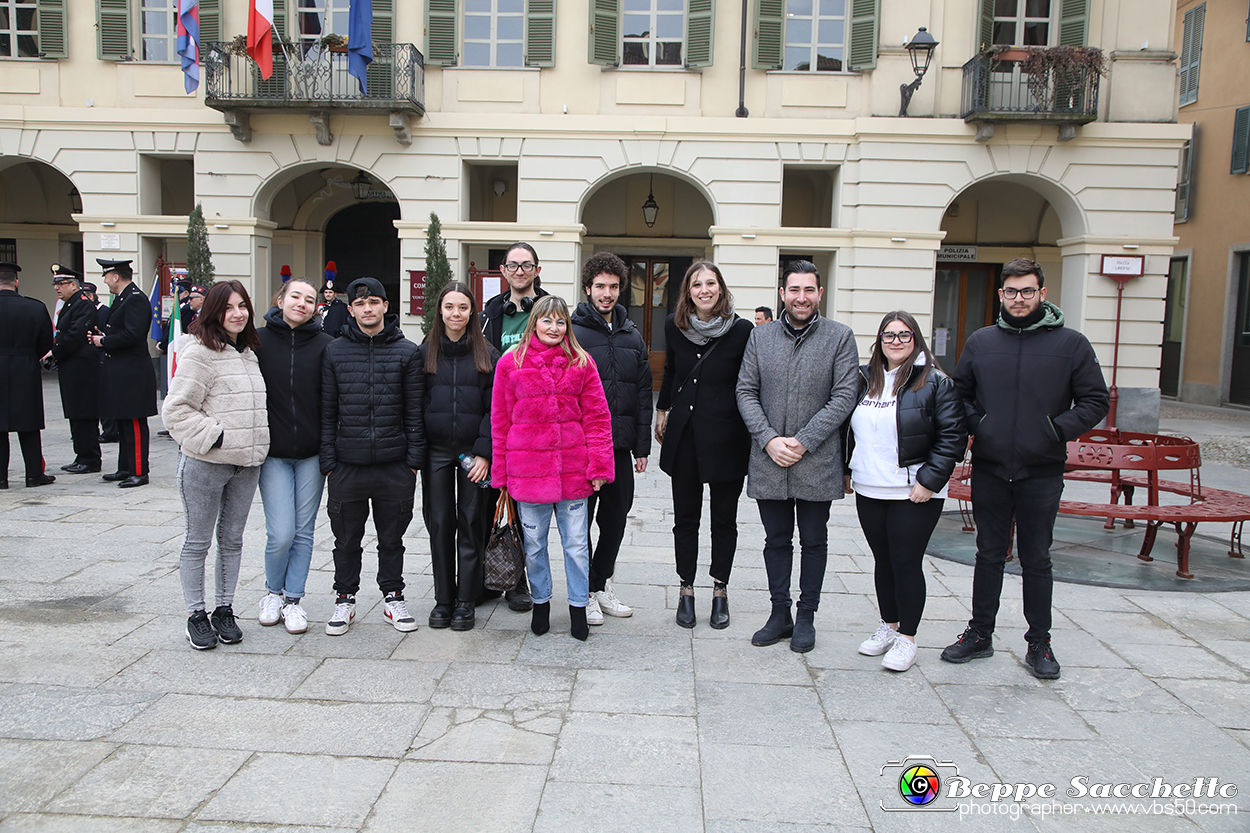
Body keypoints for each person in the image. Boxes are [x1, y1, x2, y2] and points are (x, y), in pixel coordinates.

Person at [941, 258, 1109, 680]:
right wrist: (981, 425)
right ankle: (980, 634)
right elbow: (959, 397)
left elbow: (1095, 401)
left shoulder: (1071, 344)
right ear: (1001, 295)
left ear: (1042, 294)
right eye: (1012, 292)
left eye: (1028, 291)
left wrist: (1055, 430)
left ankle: (1040, 642)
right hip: (992, 468)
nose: (1019, 299)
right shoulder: (981, 341)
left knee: (1037, 558)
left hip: (1042, 470)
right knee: (988, 553)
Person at [736, 261, 858, 653]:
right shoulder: (761, 337)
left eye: (809, 290)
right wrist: (770, 440)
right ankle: (779, 612)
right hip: (769, 459)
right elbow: (745, 391)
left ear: (820, 294)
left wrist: (803, 441)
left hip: (817, 459)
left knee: (814, 540)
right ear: (783, 294)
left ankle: (807, 616)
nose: (801, 297)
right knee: (775, 539)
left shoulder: (840, 337)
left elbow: (844, 396)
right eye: (794, 290)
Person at [846, 311, 967, 672]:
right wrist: (847, 470)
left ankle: (908, 638)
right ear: (879, 341)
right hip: (870, 486)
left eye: (903, 335)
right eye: (888, 335)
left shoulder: (935, 382)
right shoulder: (865, 379)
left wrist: (929, 481)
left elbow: (952, 437)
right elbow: (848, 429)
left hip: (913, 491)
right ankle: (889, 625)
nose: (895, 341)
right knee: (883, 561)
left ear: (916, 340)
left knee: (906, 562)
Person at [492, 295, 614, 640]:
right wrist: (501, 473)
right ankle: (541, 604)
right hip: (527, 473)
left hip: (573, 473)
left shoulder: (581, 362)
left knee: (576, 545)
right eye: (547, 320)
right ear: (535, 322)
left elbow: (597, 417)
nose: (554, 328)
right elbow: (500, 421)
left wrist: (599, 466)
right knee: (534, 546)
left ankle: (578, 607)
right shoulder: (510, 363)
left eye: (561, 321)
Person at [162, 281, 269, 650]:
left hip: (247, 464)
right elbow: (175, 410)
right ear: (213, 312)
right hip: (207, 462)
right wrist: (216, 436)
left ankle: (224, 609)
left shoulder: (249, 353)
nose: (237, 314)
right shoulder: (199, 352)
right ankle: (196, 614)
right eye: (228, 308)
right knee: (198, 540)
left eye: (242, 306)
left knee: (232, 540)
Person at [321, 277, 425, 636]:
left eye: (374, 302)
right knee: (346, 539)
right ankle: (344, 598)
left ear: (385, 306)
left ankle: (393, 596)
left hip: (394, 465)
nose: (368, 308)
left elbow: (414, 412)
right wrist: (328, 464)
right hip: (347, 465)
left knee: (391, 539)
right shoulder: (334, 352)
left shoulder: (407, 352)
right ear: (350, 309)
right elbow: (327, 410)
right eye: (360, 303)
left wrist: (413, 462)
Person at [655, 262, 752, 629]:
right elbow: (673, 372)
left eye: (711, 283)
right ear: (688, 291)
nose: (704, 290)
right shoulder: (674, 325)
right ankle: (686, 588)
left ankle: (720, 589)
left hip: (728, 436)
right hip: (685, 436)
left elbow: (749, 382)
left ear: (721, 288)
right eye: (697, 284)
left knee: (724, 521)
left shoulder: (742, 330)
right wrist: (662, 409)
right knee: (686, 519)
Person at [571, 252, 651, 624]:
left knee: (616, 518)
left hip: (619, 446)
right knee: (580, 522)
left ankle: (600, 583)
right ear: (588, 288)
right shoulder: (572, 333)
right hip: (582, 448)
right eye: (600, 286)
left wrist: (642, 446)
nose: (607, 293)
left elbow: (643, 391)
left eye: (614, 286)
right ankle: (583, 592)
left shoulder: (632, 335)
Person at [418, 282, 499, 631]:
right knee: (439, 524)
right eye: (449, 307)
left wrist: (484, 454)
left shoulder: (487, 354)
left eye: (463, 307)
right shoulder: (424, 352)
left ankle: (466, 599)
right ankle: (443, 599)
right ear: (440, 311)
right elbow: (415, 404)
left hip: (472, 453)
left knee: (470, 522)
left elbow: (495, 409)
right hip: (435, 451)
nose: (455, 314)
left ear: (472, 312)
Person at [255, 277, 333, 635]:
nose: (302, 303)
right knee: (280, 532)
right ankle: (272, 592)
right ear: (281, 299)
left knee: (303, 531)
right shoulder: (256, 341)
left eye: (309, 299)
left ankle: (293, 600)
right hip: (272, 453)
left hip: (311, 455)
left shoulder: (325, 345)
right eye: (296, 296)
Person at [480, 242, 550, 611]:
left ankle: (520, 580)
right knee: (493, 502)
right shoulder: (490, 313)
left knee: (527, 508)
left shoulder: (551, 310)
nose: (519, 271)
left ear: (537, 269)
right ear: (503, 271)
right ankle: (493, 574)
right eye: (512, 265)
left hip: (536, 427)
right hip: (498, 417)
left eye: (526, 265)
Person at [88, 258, 158, 488]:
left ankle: (139, 470)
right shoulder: (123, 298)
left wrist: (104, 341)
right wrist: (104, 335)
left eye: (106, 276)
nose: (105, 281)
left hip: (132, 371)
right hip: (121, 369)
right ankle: (125, 467)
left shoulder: (135, 299)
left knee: (134, 422)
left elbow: (134, 335)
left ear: (116, 276)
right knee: (122, 420)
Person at [0, 261, 55, 489]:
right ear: (16, 282)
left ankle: (1, 479)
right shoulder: (35, 307)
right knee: (29, 425)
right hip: (25, 368)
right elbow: (45, 344)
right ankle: (33, 475)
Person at [50, 265, 102, 474]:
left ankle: (89, 458)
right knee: (75, 412)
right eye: (55, 284)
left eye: (61, 284)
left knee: (83, 412)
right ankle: (81, 454)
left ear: (74, 284)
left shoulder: (81, 304)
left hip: (81, 367)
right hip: (72, 366)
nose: (56, 288)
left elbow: (74, 335)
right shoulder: (70, 304)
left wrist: (55, 351)